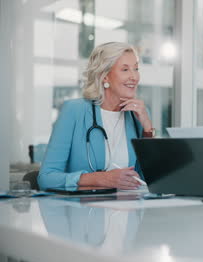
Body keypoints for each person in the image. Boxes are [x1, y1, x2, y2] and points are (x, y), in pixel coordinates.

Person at [38, 42, 155, 190]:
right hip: (84, 210)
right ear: (104, 76)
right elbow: (46, 178)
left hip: (129, 209)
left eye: (136, 69)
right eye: (125, 69)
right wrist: (100, 179)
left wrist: (148, 128)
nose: (134, 77)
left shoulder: (137, 114)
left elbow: (150, 178)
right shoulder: (74, 111)